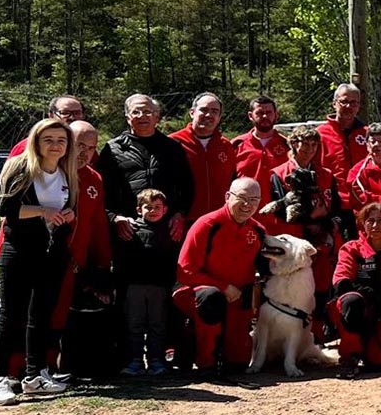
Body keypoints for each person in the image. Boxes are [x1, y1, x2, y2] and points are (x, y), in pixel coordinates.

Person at [0, 119, 78, 403]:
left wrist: (69, 215)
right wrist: (43, 211)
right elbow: (6, 208)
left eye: (61, 140)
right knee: (11, 314)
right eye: (48, 139)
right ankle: (1, 377)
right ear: (36, 142)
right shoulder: (20, 167)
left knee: (41, 314)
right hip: (20, 250)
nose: (55, 145)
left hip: (52, 252)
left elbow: (69, 207)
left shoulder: (67, 172)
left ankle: (35, 375)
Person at [172, 178, 267, 373]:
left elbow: (266, 269)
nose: (247, 205)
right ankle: (205, 362)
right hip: (198, 293)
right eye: (242, 198)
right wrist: (223, 287)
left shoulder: (258, 230)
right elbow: (186, 271)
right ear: (227, 197)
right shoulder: (207, 224)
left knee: (237, 364)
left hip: (237, 296)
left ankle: (229, 354)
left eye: (254, 200)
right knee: (212, 298)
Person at [270, 124, 345, 336]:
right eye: (305, 144)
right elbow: (280, 211)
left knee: (321, 288)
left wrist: (329, 225)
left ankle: (318, 333)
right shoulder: (279, 174)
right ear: (294, 143)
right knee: (294, 289)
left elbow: (336, 207)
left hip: (322, 242)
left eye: (314, 144)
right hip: (294, 241)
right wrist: (309, 222)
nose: (310, 149)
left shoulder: (325, 174)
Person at [49, 120, 111, 375]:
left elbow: (98, 226)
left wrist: (102, 265)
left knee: (60, 316)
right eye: (80, 145)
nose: (85, 152)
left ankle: (51, 367)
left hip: (73, 263)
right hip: (41, 259)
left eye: (92, 147)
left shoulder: (94, 179)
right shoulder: (47, 173)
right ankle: (16, 369)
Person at [96, 94, 193, 243]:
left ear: (156, 117)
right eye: (136, 112)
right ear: (128, 117)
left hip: (167, 229)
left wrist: (180, 215)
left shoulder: (172, 148)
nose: (142, 116)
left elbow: (187, 186)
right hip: (129, 229)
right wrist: (114, 218)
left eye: (147, 111)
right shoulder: (112, 149)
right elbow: (102, 189)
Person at [330, 202, 381, 377]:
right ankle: (349, 357)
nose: (375, 226)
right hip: (359, 305)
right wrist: (368, 294)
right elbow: (341, 281)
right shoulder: (351, 249)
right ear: (363, 224)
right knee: (351, 301)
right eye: (370, 221)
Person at [115, 189, 175, 376]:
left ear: (165, 209)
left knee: (158, 324)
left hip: (159, 286)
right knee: (134, 324)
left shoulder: (170, 230)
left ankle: (156, 360)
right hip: (135, 286)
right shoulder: (131, 229)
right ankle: (135, 361)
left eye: (157, 207)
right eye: (148, 207)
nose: (153, 211)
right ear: (138, 210)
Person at [171, 92, 237, 222]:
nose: (209, 115)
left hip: (219, 219)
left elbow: (232, 181)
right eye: (204, 110)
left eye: (214, 111)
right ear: (192, 112)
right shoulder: (173, 143)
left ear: (219, 117)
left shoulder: (226, 146)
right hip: (183, 220)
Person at [232, 96, 290, 208]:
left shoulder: (288, 145)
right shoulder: (236, 145)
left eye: (269, 112)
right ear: (250, 116)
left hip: (278, 212)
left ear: (276, 115)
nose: (265, 116)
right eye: (259, 113)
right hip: (245, 211)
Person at [316, 83, 369, 200]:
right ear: (334, 103)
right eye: (344, 102)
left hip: (363, 199)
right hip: (331, 199)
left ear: (359, 106)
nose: (348, 106)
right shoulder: (320, 134)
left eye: (353, 103)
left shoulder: (368, 135)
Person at [8, 95, 86, 158]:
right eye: (65, 113)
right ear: (51, 115)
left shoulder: (87, 146)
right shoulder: (27, 146)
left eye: (77, 113)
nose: (72, 117)